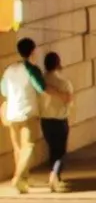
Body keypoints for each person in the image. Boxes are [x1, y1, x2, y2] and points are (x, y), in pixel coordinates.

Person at [36, 52, 72, 192]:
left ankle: (55, 176)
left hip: (45, 121)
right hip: (60, 120)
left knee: (52, 149)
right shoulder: (64, 83)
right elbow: (69, 100)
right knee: (60, 152)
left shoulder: (41, 82)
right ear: (58, 64)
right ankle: (55, 175)